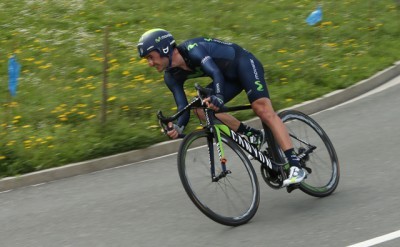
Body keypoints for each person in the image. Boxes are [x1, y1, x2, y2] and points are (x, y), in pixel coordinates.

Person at [137, 28, 305, 186]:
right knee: (200, 108)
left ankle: (295, 165)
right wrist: (177, 126)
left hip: (243, 64)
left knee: (262, 109)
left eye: (151, 57)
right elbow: (183, 106)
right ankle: (251, 134)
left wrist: (218, 97)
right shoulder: (171, 77)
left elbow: (215, 73)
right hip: (227, 78)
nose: (150, 63)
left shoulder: (193, 49)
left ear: (164, 49)